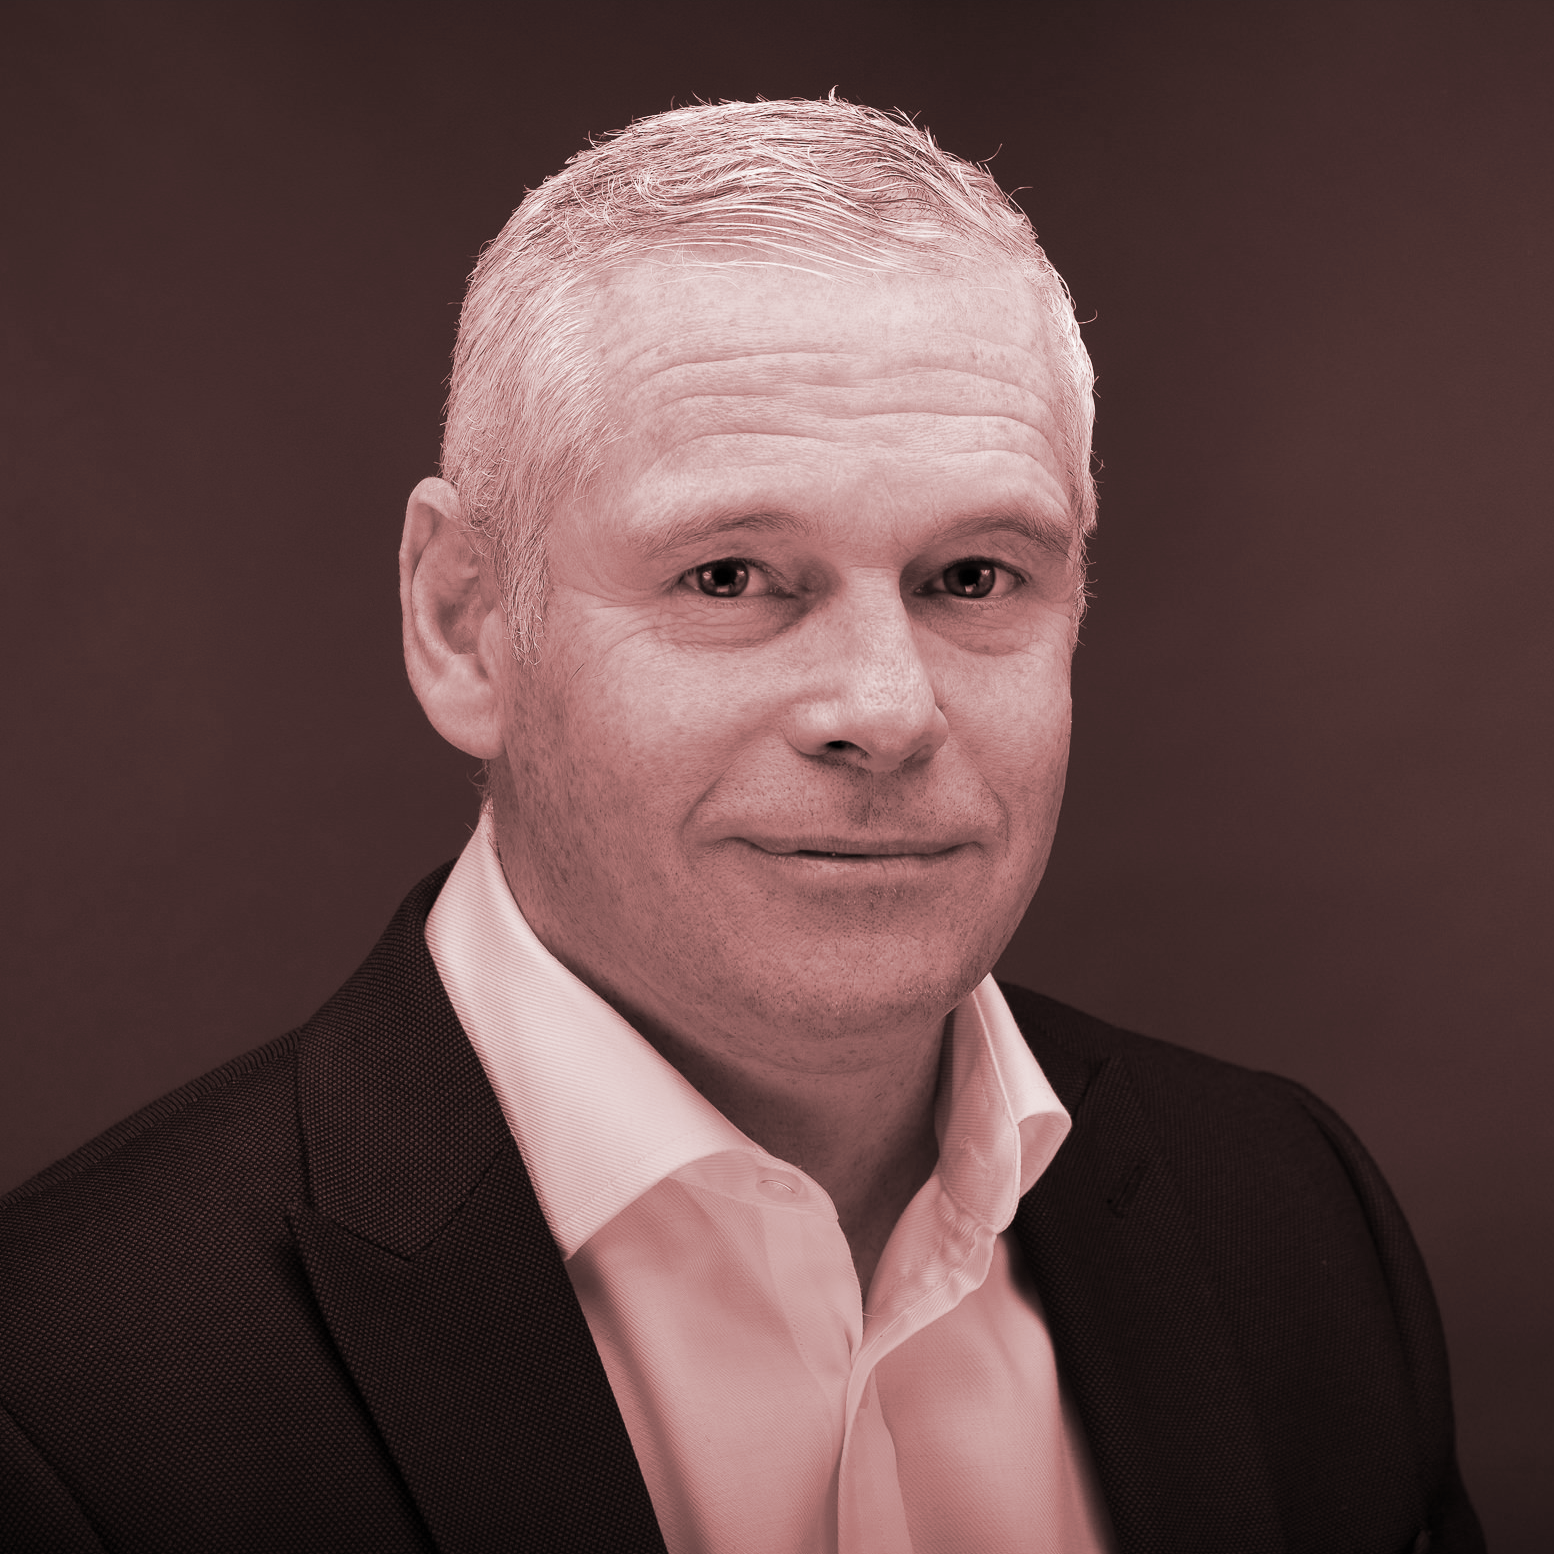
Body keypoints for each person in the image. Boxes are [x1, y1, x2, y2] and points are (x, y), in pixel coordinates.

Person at [0, 97, 1481, 1554]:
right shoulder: (63, 1396)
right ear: (464, 622)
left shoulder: (1289, 1214)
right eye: (729, 577)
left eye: (972, 577)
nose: (885, 710)